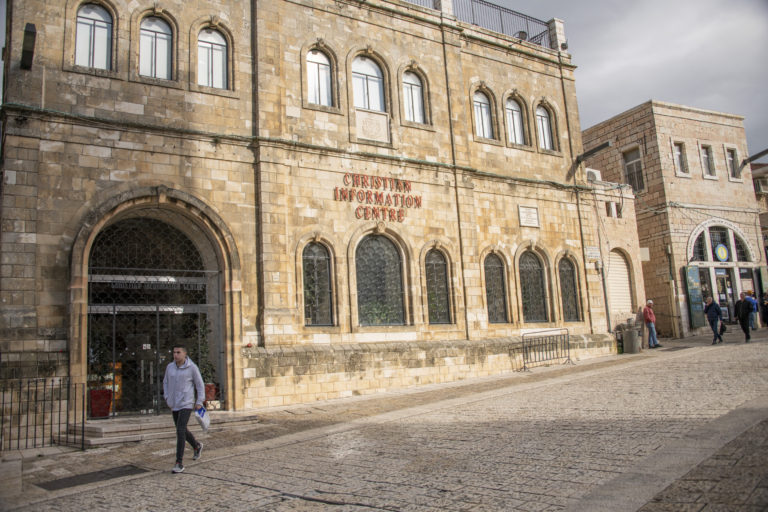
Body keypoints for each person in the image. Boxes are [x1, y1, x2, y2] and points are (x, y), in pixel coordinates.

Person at [163, 344, 205, 473]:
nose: (175, 355)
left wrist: (199, 401)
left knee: (180, 430)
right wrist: (167, 397)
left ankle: (179, 462)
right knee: (181, 429)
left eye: (178, 352)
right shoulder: (170, 367)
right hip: (174, 403)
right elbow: (165, 382)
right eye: (174, 352)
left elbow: (199, 385)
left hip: (186, 403)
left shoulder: (192, 368)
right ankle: (196, 446)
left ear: (185, 354)